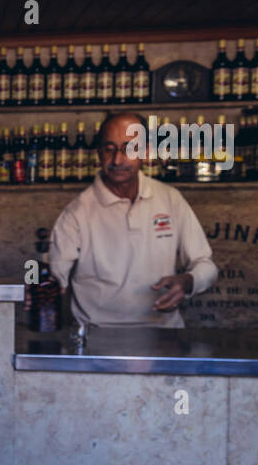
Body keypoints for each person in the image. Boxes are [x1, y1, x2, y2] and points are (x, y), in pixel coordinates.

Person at [49, 112, 218, 328]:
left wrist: (187, 282)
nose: (118, 160)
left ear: (145, 152)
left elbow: (206, 265)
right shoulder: (77, 212)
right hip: (98, 339)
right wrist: (31, 281)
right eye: (109, 150)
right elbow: (41, 267)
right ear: (99, 154)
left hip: (163, 335)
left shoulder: (170, 199)